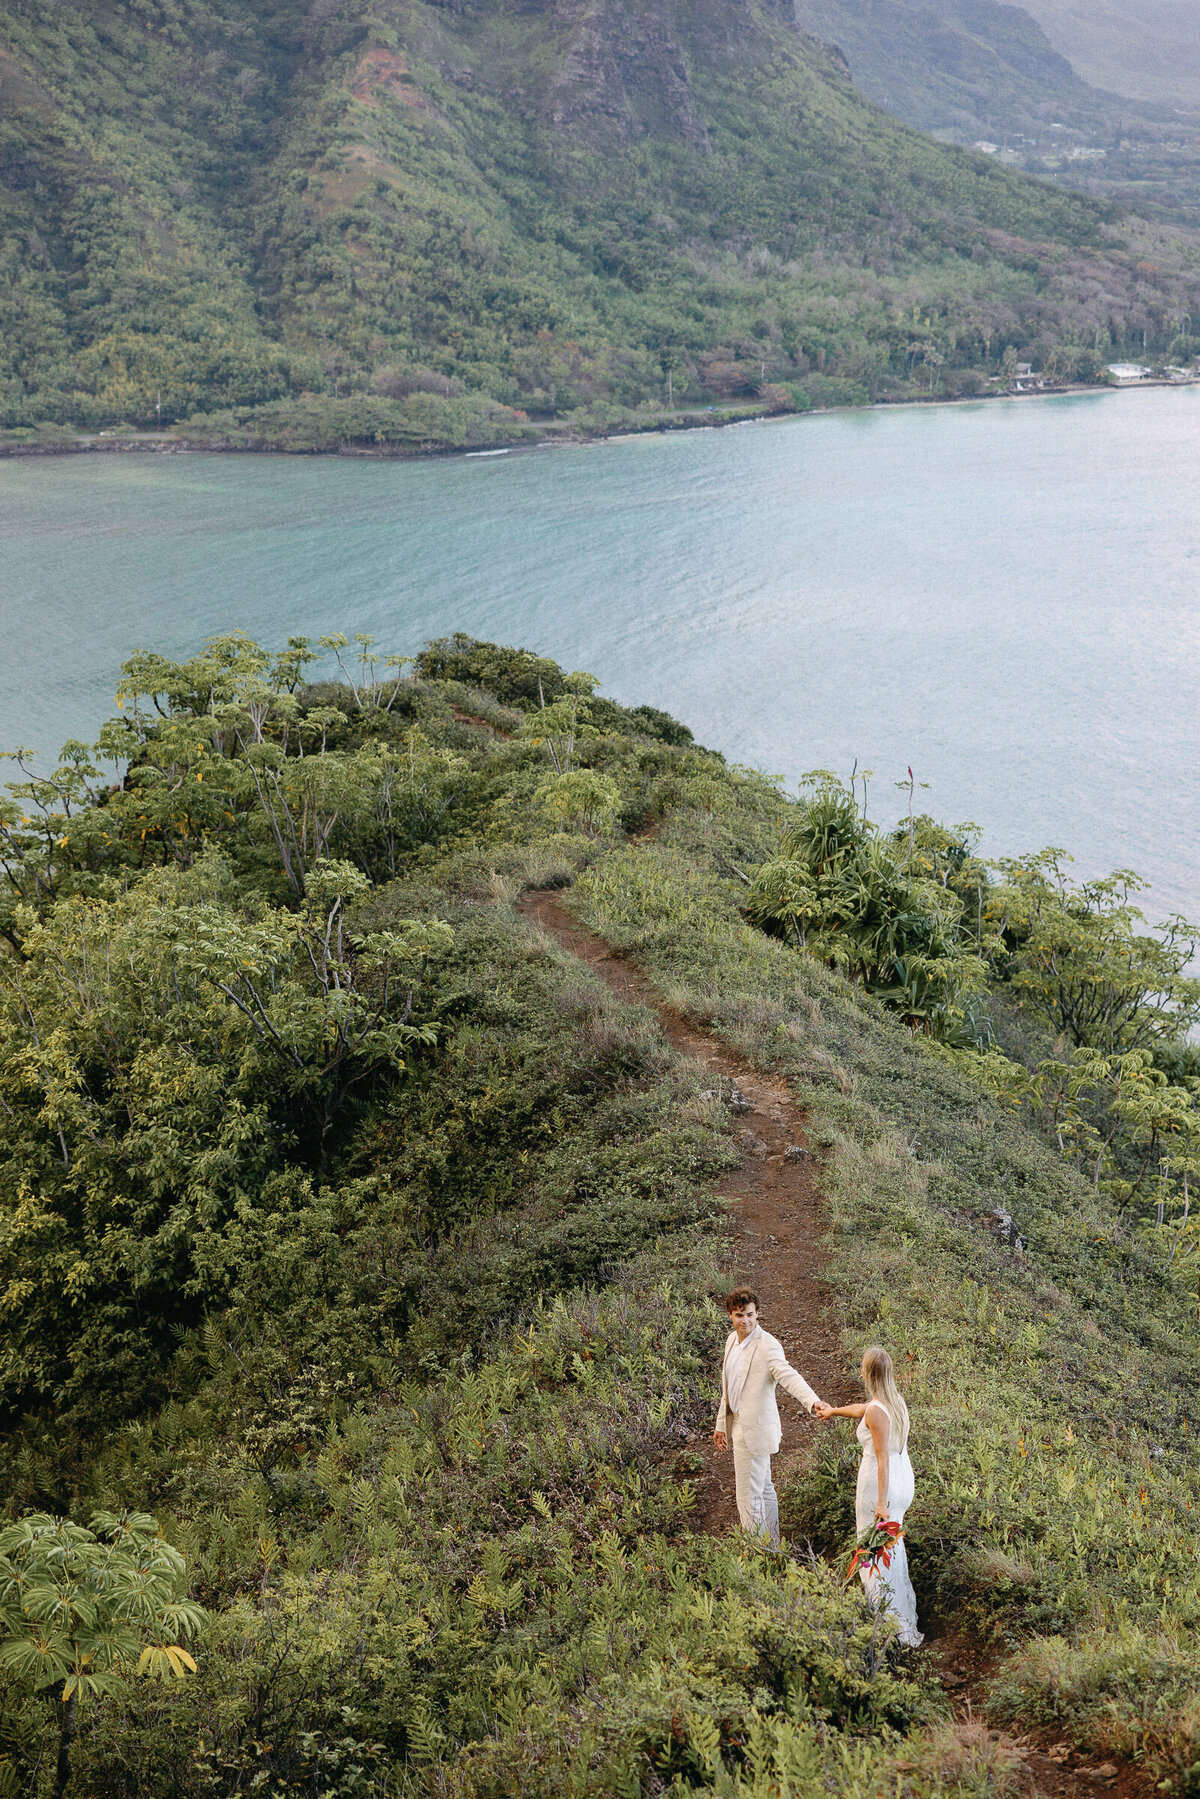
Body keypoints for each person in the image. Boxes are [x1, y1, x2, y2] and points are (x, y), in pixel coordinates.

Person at [814, 1346, 922, 1646]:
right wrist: (834, 1411)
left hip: (880, 1486)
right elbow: (863, 1409)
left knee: (873, 1555)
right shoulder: (893, 1402)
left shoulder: (877, 1411)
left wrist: (881, 1504)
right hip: (902, 1482)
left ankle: (885, 1622)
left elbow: (882, 1458)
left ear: (866, 1373)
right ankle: (894, 1616)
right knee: (890, 1550)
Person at [713, 1286, 826, 1548]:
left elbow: (788, 1376)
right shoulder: (731, 1341)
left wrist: (812, 1401)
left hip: (755, 1430)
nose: (746, 1321)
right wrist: (722, 1426)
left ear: (758, 1313)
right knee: (763, 1489)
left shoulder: (768, 1345)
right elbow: (728, 1391)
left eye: (750, 1314)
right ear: (730, 1314)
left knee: (748, 1495)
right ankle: (773, 1548)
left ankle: (759, 1553)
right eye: (740, 1315)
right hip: (737, 1424)